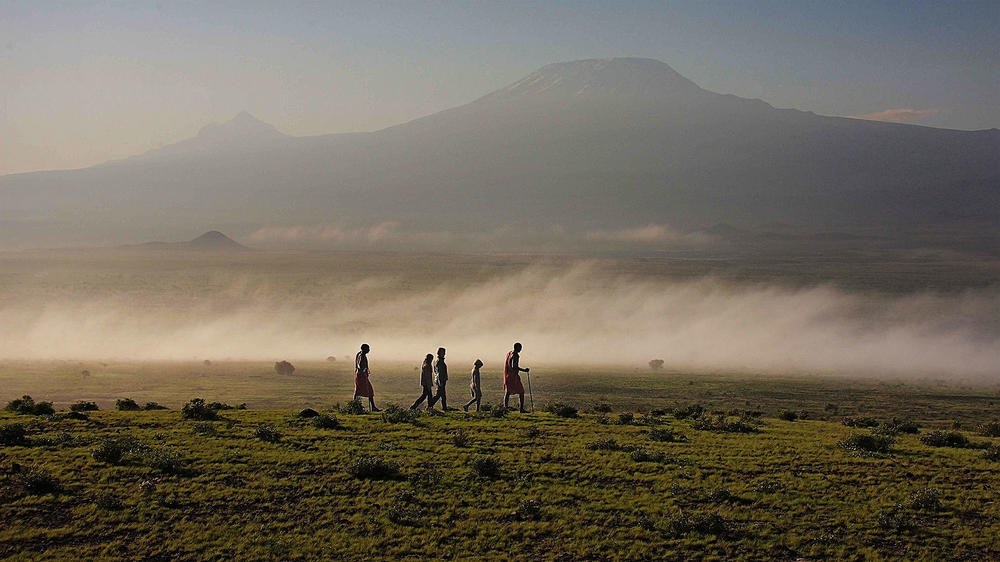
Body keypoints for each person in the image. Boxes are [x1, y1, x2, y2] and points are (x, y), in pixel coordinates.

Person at [354, 343, 380, 412]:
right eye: (368, 349)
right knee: (369, 390)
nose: (369, 350)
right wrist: (364, 370)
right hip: (361, 375)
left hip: (359, 375)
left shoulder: (359, 354)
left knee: (358, 390)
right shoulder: (362, 356)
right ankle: (373, 407)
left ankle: (354, 405)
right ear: (364, 349)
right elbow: (359, 365)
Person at [504, 342, 529, 412]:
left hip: (508, 375)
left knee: (508, 392)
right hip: (513, 376)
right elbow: (514, 366)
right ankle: (521, 409)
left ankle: (505, 408)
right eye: (520, 348)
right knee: (521, 391)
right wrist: (524, 370)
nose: (521, 349)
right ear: (516, 347)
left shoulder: (509, 353)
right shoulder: (515, 355)